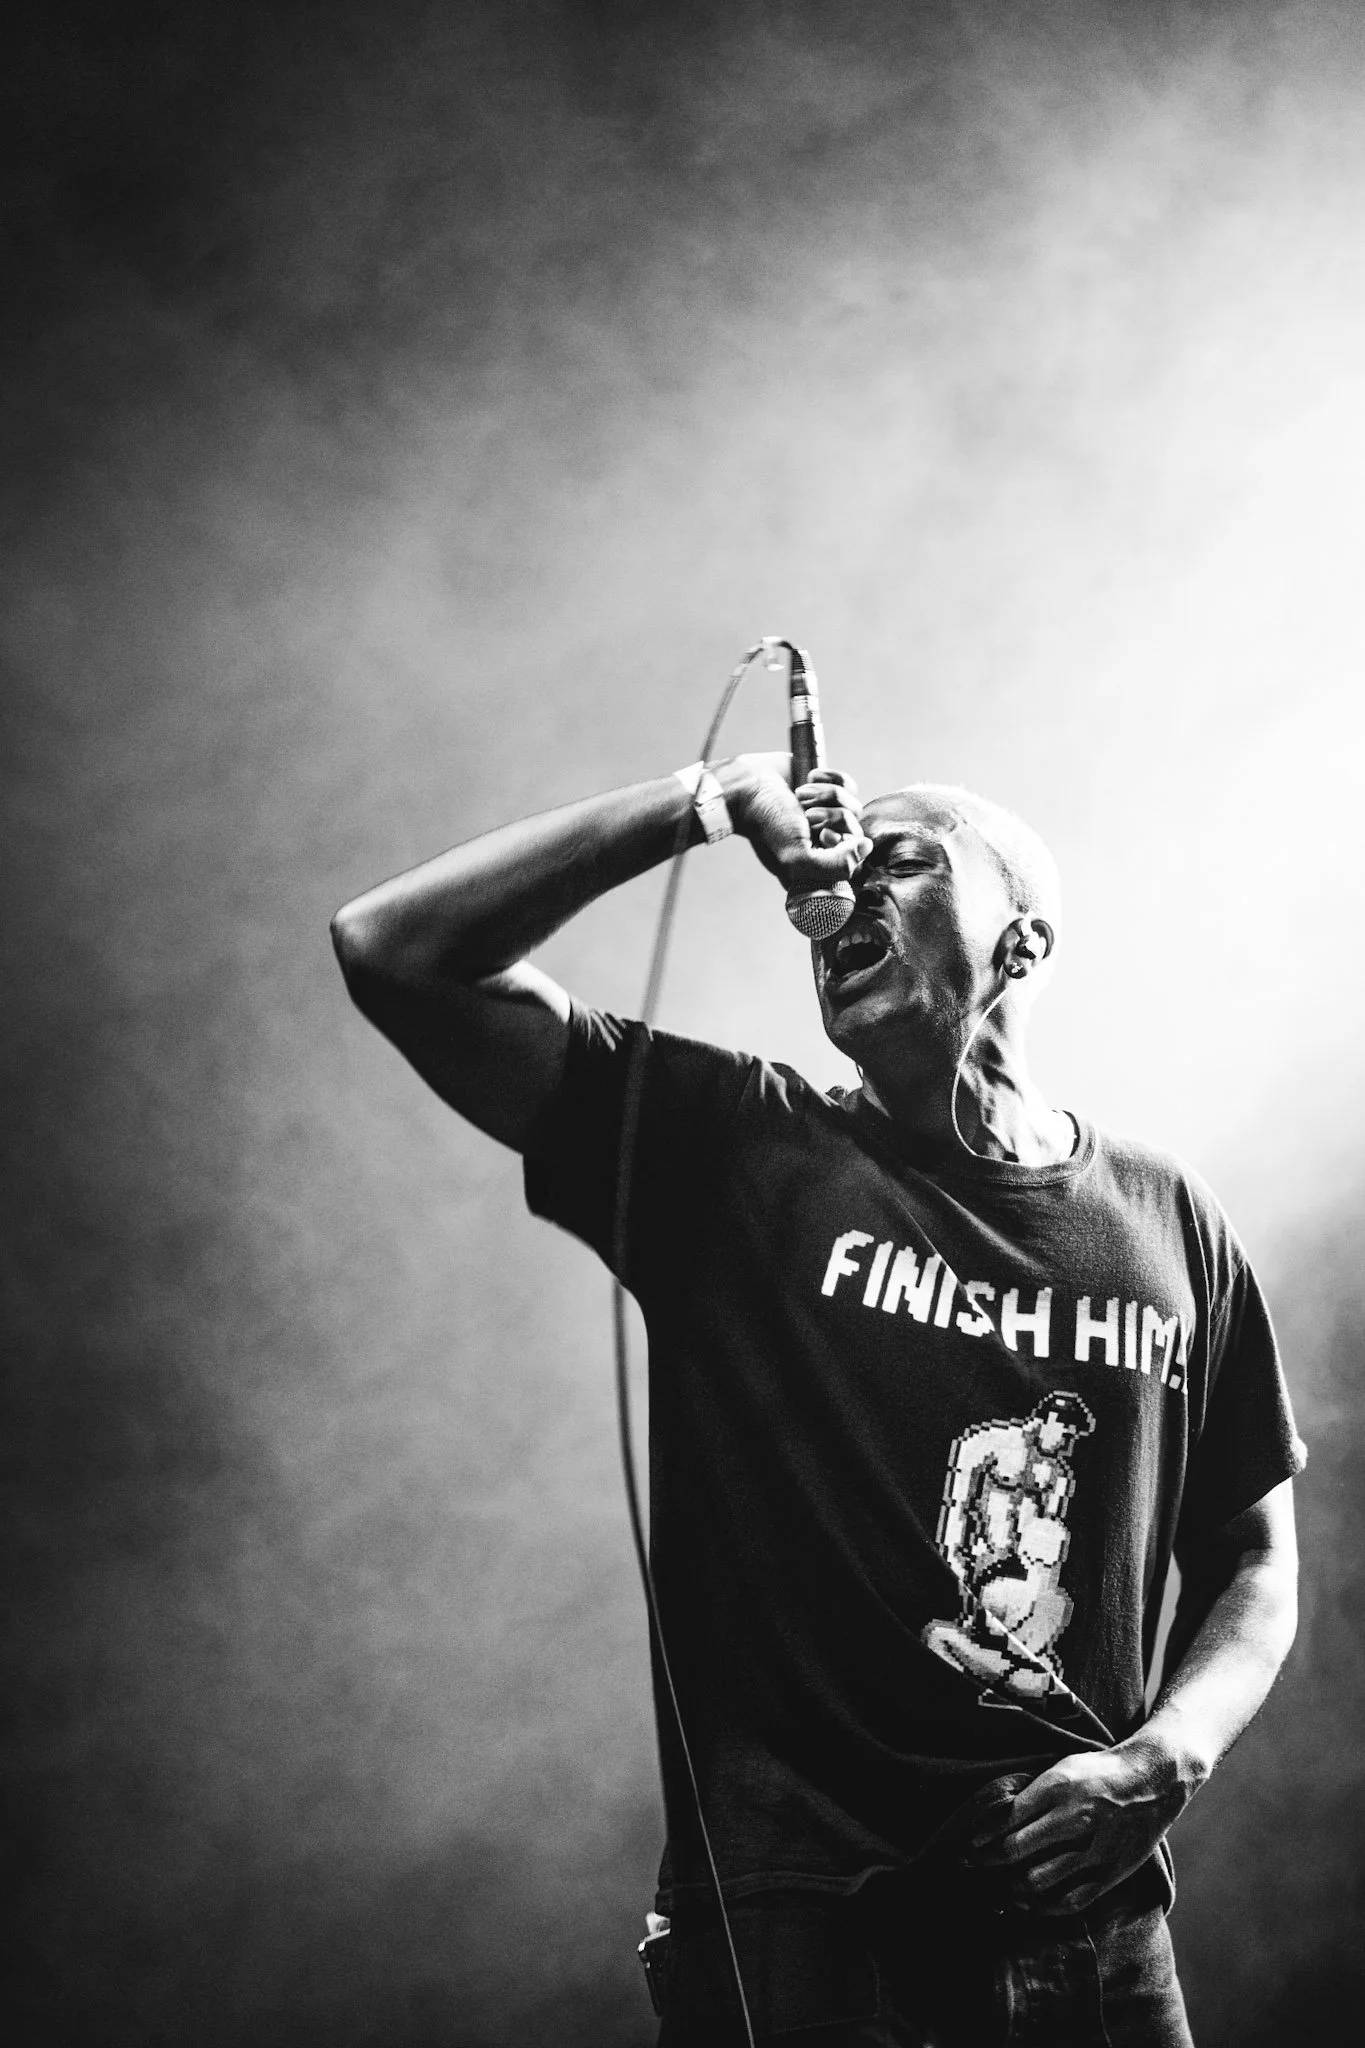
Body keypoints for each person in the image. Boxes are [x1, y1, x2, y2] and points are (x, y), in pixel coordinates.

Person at [331, 749, 1304, 2046]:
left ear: (1021, 941)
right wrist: (707, 803)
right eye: (836, 870)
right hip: (801, 1923)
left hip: (1088, 1925)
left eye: (900, 861)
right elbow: (393, 949)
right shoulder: (734, 1146)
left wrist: (1160, 1760)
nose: (844, 895)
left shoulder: (1166, 1217)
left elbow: (1253, 1555)